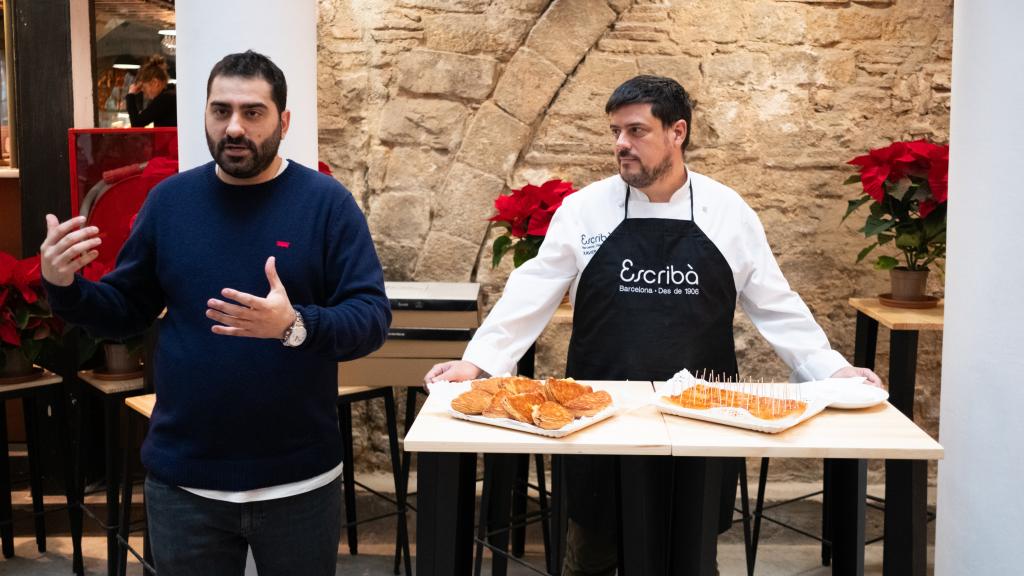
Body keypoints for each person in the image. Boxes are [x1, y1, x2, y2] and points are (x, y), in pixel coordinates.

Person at [425, 75, 881, 575]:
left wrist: (831, 370)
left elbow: (775, 303)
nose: (621, 144)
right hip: (597, 418)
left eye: (636, 131)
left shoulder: (728, 212)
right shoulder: (584, 210)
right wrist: (478, 362)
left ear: (677, 132)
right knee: (590, 558)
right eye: (616, 132)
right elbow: (531, 290)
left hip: (702, 418)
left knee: (689, 557)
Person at [41, 50, 390, 575]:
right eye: (220, 110)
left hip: (299, 480)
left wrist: (293, 326)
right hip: (185, 481)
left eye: (252, 113)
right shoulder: (170, 203)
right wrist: (62, 284)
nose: (233, 127)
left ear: (283, 121)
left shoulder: (326, 204)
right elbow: (124, 310)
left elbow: (370, 317)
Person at [126, 55, 177, 127]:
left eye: (143, 87)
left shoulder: (164, 99)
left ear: (155, 82)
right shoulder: (170, 95)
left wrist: (131, 94)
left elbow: (136, 124)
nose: (143, 91)